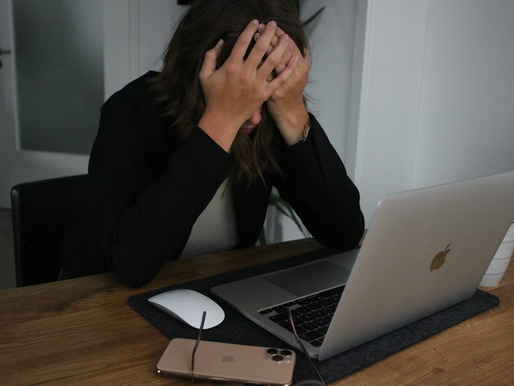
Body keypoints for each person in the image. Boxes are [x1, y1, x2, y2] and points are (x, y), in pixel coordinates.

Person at [59, 0, 364, 288]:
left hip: (210, 290)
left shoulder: (271, 117)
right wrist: (221, 123)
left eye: (267, 92)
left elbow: (345, 232)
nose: (255, 118)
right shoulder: (130, 111)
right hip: (100, 298)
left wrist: (292, 111)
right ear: (197, 72)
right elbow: (131, 264)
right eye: (241, 92)